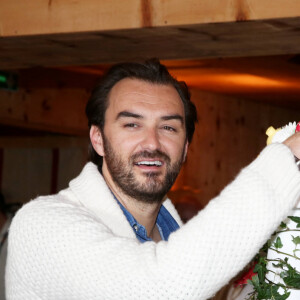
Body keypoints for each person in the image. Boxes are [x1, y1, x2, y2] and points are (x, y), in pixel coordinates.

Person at [5, 60, 300, 300]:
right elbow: (159, 287)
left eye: (169, 127)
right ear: (98, 139)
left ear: (185, 149)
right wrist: (285, 158)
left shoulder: (176, 240)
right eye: (132, 124)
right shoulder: (42, 223)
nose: (152, 142)